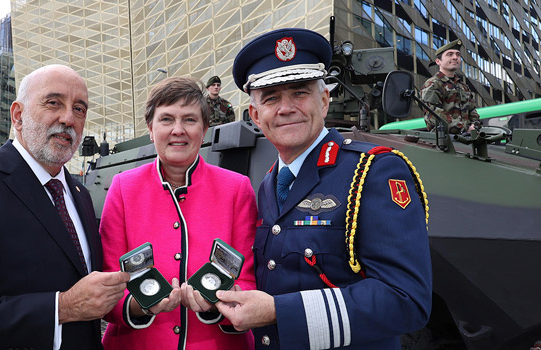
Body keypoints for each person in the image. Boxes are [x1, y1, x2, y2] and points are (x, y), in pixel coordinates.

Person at [214, 28, 432, 349]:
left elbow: (406, 300)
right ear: (256, 115)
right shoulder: (267, 184)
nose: (286, 108)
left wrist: (279, 311)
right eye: (272, 98)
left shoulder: (373, 171)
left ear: (325, 100)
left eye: (300, 93)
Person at [0, 64, 129, 349]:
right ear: (18, 115)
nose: (68, 118)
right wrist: (61, 308)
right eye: (53, 102)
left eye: (79, 109)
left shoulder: (79, 193)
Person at [100, 76, 257, 349]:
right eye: (166, 119)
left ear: (205, 129)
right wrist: (140, 306)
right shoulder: (123, 188)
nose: (178, 130)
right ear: (150, 129)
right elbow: (107, 283)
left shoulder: (237, 189)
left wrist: (218, 303)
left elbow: (248, 282)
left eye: (189, 119)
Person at [421, 39, 480, 133]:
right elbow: (433, 114)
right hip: (444, 142)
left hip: (467, 140)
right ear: (438, 61)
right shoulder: (433, 84)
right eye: (450, 54)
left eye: (458, 54)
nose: (455, 57)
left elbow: (473, 112)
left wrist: (475, 126)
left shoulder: (463, 86)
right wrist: (464, 129)